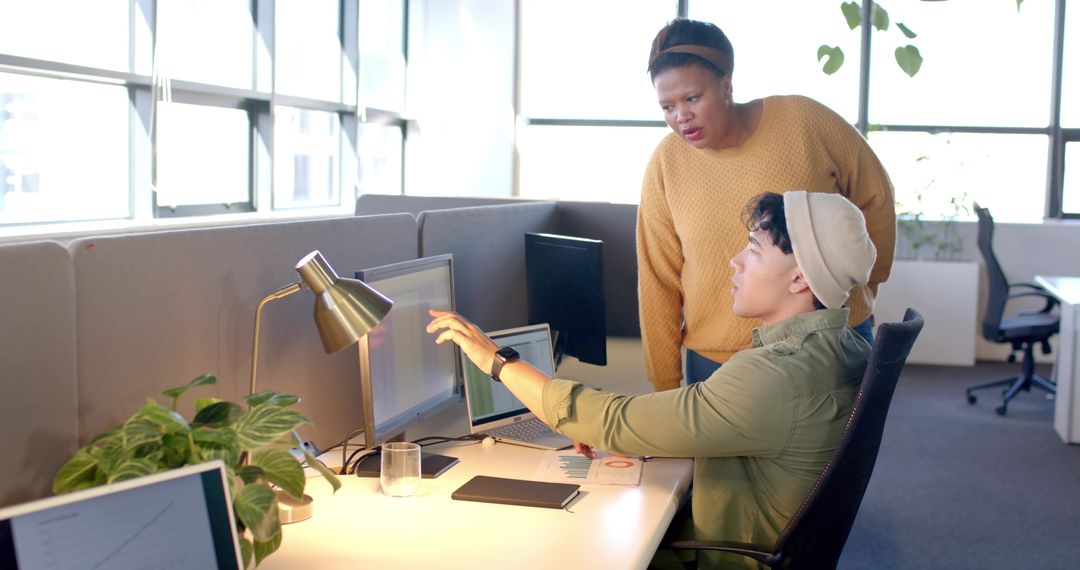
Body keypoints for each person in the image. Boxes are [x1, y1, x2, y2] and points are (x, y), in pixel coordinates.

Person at [427, 191, 877, 569]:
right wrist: (631, 433)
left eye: (754, 250)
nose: (735, 261)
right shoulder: (846, 349)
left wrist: (497, 361)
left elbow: (615, 420)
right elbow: (712, 417)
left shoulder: (777, 375)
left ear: (799, 278)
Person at [638, 18, 896, 390]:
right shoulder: (666, 163)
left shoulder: (805, 120)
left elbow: (876, 197)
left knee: (847, 432)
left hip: (827, 344)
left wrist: (866, 283)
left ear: (726, 84)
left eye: (692, 98)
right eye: (667, 106)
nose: (681, 117)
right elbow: (657, 278)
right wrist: (664, 379)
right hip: (718, 361)